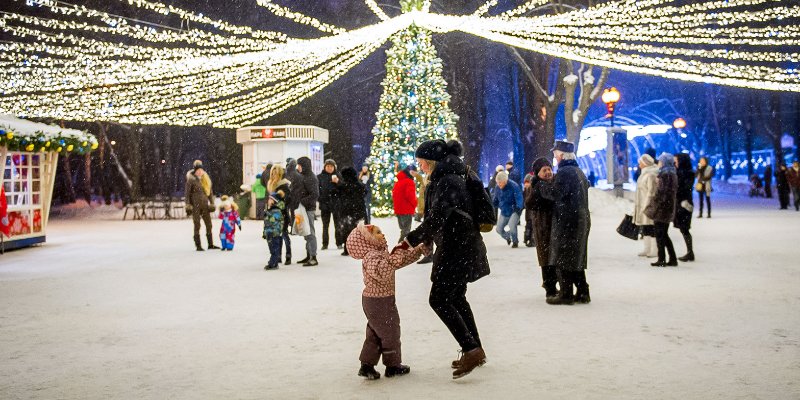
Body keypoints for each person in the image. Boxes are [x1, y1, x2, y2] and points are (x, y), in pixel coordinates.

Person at [398, 139, 490, 379]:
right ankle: (475, 348)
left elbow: (440, 215)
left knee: (438, 299)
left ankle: (471, 349)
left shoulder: (448, 179)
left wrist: (412, 239)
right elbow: (441, 216)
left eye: (421, 163)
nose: (420, 167)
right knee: (456, 297)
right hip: (458, 244)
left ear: (431, 161)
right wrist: (428, 239)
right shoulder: (448, 176)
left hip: (457, 246)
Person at [348, 223, 427, 380]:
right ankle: (393, 365)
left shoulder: (379, 254)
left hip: (377, 300)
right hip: (379, 301)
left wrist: (417, 251)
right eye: (378, 233)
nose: (382, 235)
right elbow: (383, 271)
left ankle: (367, 365)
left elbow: (396, 263)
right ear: (368, 240)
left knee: (376, 334)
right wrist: (398, 253)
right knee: (390, 331)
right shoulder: (371, 257)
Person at [539, 141, 591, 305]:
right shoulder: (578, 171)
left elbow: (556, 193)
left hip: (568, 221)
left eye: (555, 154)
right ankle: (583, 292)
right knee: (576, 258)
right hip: (580, 220)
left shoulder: (564, 172)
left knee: (563, 258)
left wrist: (542, 186)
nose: (554, 156)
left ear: (561, 155)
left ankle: (566, 294)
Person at [524, 157, 557, 299]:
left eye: (549, 169)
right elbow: (529, 203)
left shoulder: (554, 184)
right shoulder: (536, 187)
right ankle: (549, 287)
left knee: (554, 258)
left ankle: (553, 285)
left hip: (554, 228)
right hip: (543, 229)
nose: (548, 172)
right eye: (545, 170)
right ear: (538, 173)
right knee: (546, 259)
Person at [645, 153, 679, 267]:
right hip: (665, 208)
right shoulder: (669, 173)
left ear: (664, 162)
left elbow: (664, 193)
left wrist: (658, 202)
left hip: (663, 209)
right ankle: (670, 258)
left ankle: (662, 259)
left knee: (660, 234)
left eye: (660, 161)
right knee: (663, 234)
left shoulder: (667, 174)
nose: (658, 163)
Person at [185, 160, 219, 251]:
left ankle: (210, 244)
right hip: (195, 205)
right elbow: (187, 194)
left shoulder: (206, 179)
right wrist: (187, 204)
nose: (200, 172)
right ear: (195, 171)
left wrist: (212, 203)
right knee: (197, 224)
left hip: (205, 205)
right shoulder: (191, 180)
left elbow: (210, 193)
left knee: (209, 224)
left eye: (201, 170)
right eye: (198, 170)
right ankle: (198, 245)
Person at [333, 167, 367, 256]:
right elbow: (365, 193)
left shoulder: (343, 186)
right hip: (359, 211)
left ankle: (347, 249)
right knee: (359, 230)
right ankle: (359, 249)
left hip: (346, 212)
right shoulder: (360, 185)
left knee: (346, 230)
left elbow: (336, 194)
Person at [263, 165, 291, 270]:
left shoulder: (283, 184)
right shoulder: (271, 184)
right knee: (276, 237)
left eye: (276, 173)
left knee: (284, 235)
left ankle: (288, 255)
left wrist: (278, 205)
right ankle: (277, 257)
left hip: (281, 214)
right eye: (272, 173)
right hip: (272, 214)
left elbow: (287, 199)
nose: (274, 175)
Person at [294, 156, 320, 266]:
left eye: (299, 165)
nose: (297, 167)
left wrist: (302, 201)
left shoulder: (311, 177)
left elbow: (315, 194)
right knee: (305, 232)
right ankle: (309, 255)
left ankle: (313, 257)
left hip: (308, 209)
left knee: (310, 232)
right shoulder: (302, 176)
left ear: (303, 165)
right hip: (303, 208)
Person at [633, 154, 658, 258]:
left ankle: (654, 250)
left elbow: (651, 192)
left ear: (645, 163)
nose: (639, 165)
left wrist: (646, 205)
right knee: (646, 228)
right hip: (642, 205)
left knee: (651, 228)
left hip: (648, 206)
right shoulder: (644, 173)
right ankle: (647, 249)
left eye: (641, 162)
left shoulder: (651, 174)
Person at [492, 171, 524, 248]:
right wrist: (493, 204)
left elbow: (519, 197)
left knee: (512, 225)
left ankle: (515, 241)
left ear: (505, 181)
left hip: (514, 210)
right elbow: (495, 199)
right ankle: (507, 237)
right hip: (504, 211)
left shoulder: (514, 186)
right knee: (498, 229)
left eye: (500, 182)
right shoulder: (497, 187)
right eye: (498, 182)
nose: (499, 184)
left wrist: (518, 207)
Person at [674, 153, 695, 262]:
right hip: (680, 203)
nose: (675, 163)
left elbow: (686, 188)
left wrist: (676, 189)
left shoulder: (688, 173)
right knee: (683, 229)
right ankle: (690, 252)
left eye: (676, 161)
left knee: (685, 228)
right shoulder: (679, 172)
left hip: (685, 204)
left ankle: (690, 252)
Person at [318, 159, 342, 250]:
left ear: (334, 167)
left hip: (336, 204)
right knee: (325, 225)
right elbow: (317, 190)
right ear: (325, 167)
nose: (329, 168)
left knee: (338, 225)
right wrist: (320, 199)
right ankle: (325, 244)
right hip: (325, 204)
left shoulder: (338, 176)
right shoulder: (320, 177)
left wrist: (338, 182)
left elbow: (343, 188)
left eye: (331, 166)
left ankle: (339, 243)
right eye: (328, 166)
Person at [283, 158, 303, 265]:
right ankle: (295, 228)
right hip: (295, 198)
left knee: (289, 213)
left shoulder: (286, 174)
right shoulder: (298, 175)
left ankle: (292, 227)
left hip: (288, 199)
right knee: (294, 213)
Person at [392, 165, 418, 243]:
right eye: (414, 172)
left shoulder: (398, 181)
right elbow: (410, 196)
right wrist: (415, 204)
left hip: (399, 210)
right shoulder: (409, 182)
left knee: (403, 230)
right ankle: (400, 248)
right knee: (406, 231)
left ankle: (401, 248)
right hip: (406, 210)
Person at [522, 173, 536, 248]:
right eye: (525, 183)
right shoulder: (525, 191)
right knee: (528, 226)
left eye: (528, 182)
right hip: (528, 214)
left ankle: (531, 240)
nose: (526, 184)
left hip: (532, 213)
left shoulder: (532, 190)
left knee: (532, 227)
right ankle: (527, 238)